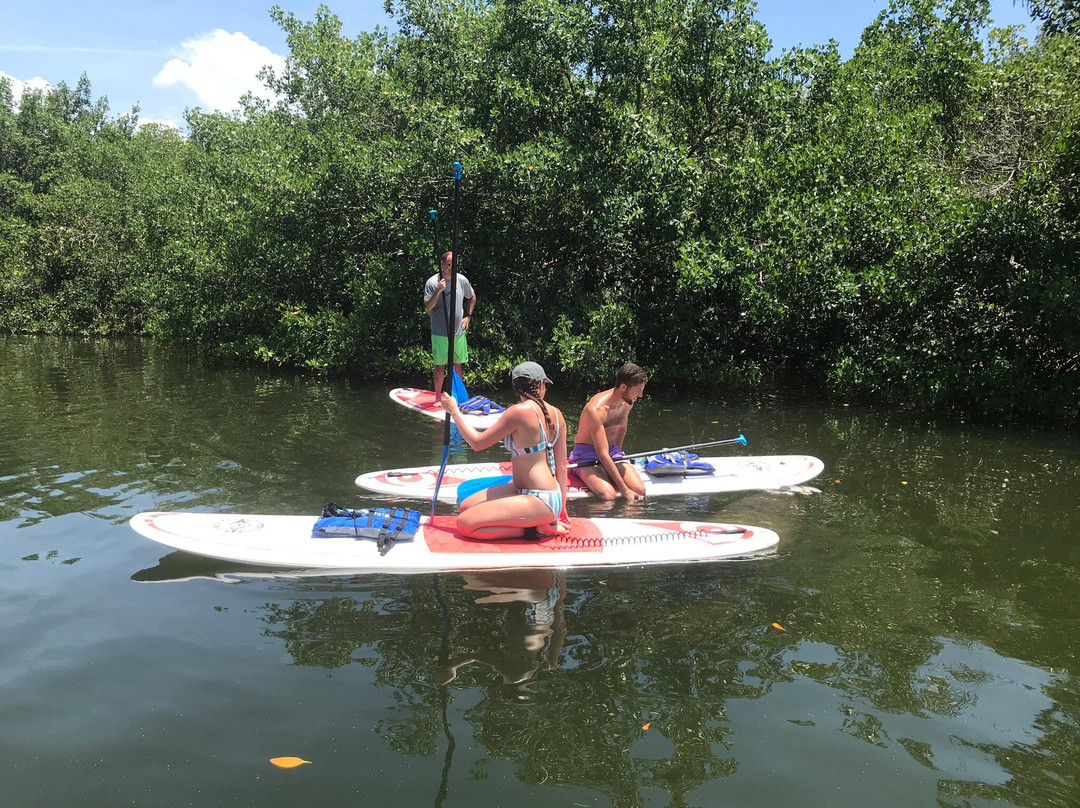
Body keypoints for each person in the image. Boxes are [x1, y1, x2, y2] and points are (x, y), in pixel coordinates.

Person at [440, 361, 568, 540]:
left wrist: (454, 411)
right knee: (465, 507)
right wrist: (562, 507)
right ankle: (538, 521)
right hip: (534, 493)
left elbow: (477, 443)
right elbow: (562, 466)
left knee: (465, 524)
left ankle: (533, 530)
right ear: (540, 384)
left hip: (540, 499)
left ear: (517, 388)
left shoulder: (518, 412)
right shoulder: (557, 414)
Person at [568, 362, 649, 501]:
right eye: (638, 390)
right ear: (623, 387)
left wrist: (618, 454)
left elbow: (622, 427)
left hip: (611, 451)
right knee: (609, 495)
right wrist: (624, 490)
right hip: (586, 455)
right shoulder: (596, 410)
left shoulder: (628, 402)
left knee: (640, 491)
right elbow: (602, 453)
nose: (641, 395)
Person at [424, 250, 475, 393]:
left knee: (457, 365)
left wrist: (468, 316)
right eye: (449, 264)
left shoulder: (461, 280)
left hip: (457, 332)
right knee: (440, 366)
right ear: (442, 264)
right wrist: (438, 290)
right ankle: (438, 398)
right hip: (440, 332)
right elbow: (428, 306)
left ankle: (457, 397)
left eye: (455, 264)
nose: (452, 267)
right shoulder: (433, 282)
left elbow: (472, 296)